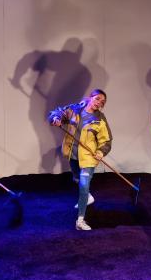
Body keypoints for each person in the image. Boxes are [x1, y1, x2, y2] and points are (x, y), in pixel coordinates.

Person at [48, 89, 112, 231]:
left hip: (89, 157)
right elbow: (57, 113)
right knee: (77, 179)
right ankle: (87, 197)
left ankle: (80, 220)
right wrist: (56, 119)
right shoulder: (75, 109)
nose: (99, 103)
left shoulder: (100, 119)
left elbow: (106, 140)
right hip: (73, 154)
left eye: (102, 102)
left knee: (83, 186)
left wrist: (101, 152)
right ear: (90, 97)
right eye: (97, 98)